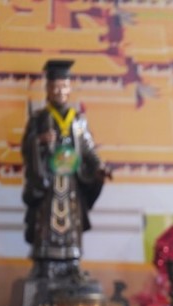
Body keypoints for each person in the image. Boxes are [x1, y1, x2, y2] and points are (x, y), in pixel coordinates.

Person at [21, 59, 110, 281]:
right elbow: (26, 146)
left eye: (63, 86)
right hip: (48, 181)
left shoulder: (78, 121)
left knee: (72, 222)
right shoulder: (39, 118)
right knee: (46, 221)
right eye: (54, 87)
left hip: (71, 182)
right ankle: (45, 264)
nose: (59, 91)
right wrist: (39, 141)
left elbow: (88, 149)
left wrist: (99, 167)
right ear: (47, 89)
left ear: (69, 89)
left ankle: (72, 263)